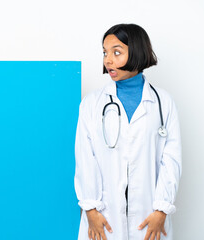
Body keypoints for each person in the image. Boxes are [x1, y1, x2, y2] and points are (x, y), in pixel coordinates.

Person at [74, 23, 182, 240]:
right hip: (104, 216)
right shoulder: (92, 103)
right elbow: (86, 158)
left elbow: (171, 160)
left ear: (137, 52)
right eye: (105, 53)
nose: (108, 60)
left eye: (116, 52)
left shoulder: (163, 103)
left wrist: (161, 210)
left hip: (150, 217)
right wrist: (91, 209)